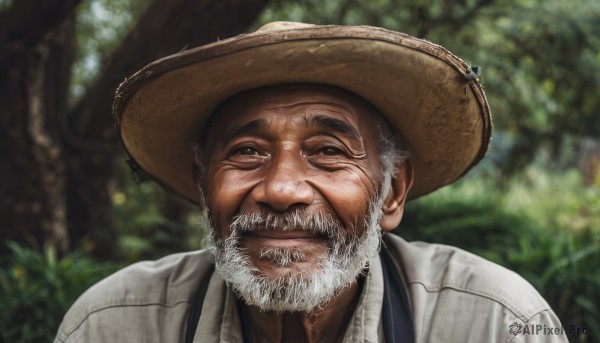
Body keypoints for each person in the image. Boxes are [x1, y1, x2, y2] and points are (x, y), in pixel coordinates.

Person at [55, 22, 565, 342]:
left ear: (391, 191)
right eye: (247, 152)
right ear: (203, 186)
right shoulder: (112, 324)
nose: (281, 189)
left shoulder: (494, 323)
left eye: (327, 153)